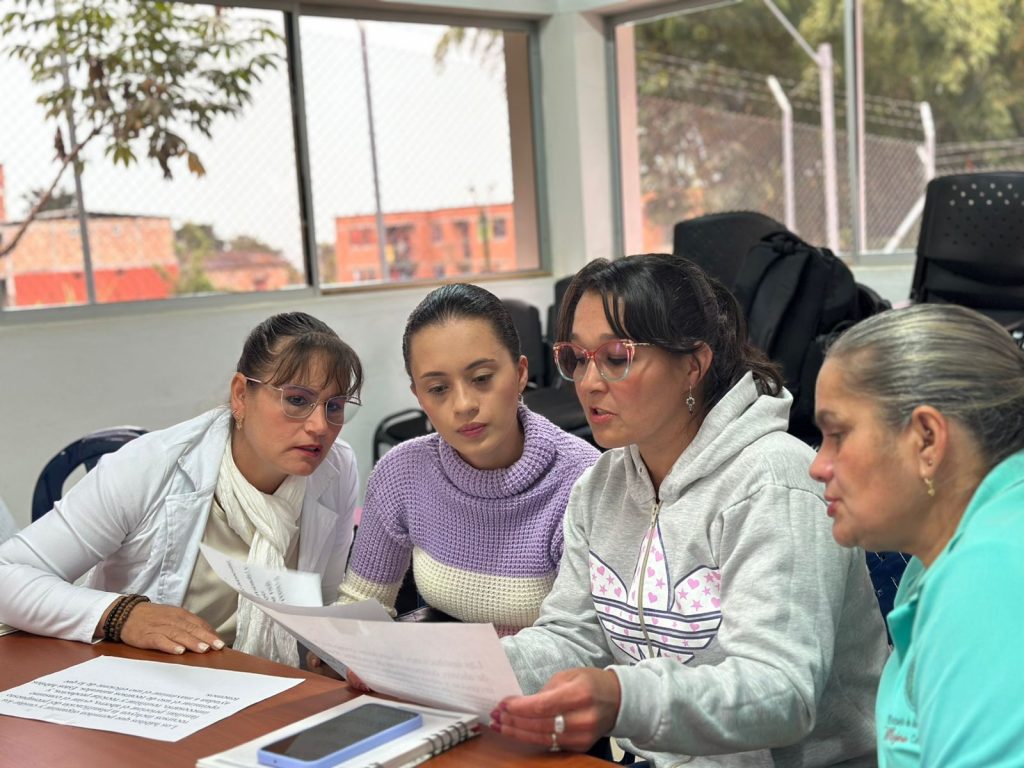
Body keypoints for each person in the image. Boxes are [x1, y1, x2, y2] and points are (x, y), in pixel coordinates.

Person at [494, 254, 889, 767]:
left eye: (615, 357)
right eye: (577, 358)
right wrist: (466, 670)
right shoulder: (600, 486)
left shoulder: (775, 482)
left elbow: (781, 690)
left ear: (692, 366)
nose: (588, 382)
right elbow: (573, 638)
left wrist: (625, 699)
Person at [0, 312, 362, 667]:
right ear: (241, 395)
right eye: (297, 399)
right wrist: (120, 615)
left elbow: (325, 598)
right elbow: (7, 574)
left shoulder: (336, 468)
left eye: (335, 406)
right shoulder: (150, 465)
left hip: (273, 682)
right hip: (149, 681)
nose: (320, 426)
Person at [809, 303, 1024, 767]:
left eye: (837, 434)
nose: (817, 465)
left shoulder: (991, 572)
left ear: (927, 438)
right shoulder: (943, 556)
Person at [337, 283, 601, 634]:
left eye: (481, 378)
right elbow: (362, 604)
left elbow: (585, 638)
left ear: (520, 373)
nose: (463, 405)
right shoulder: (401, 473)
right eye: (438, 389)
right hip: (440, 663)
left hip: (548, 667)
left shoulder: (581, 480)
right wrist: (337, 644)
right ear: (419, 396)